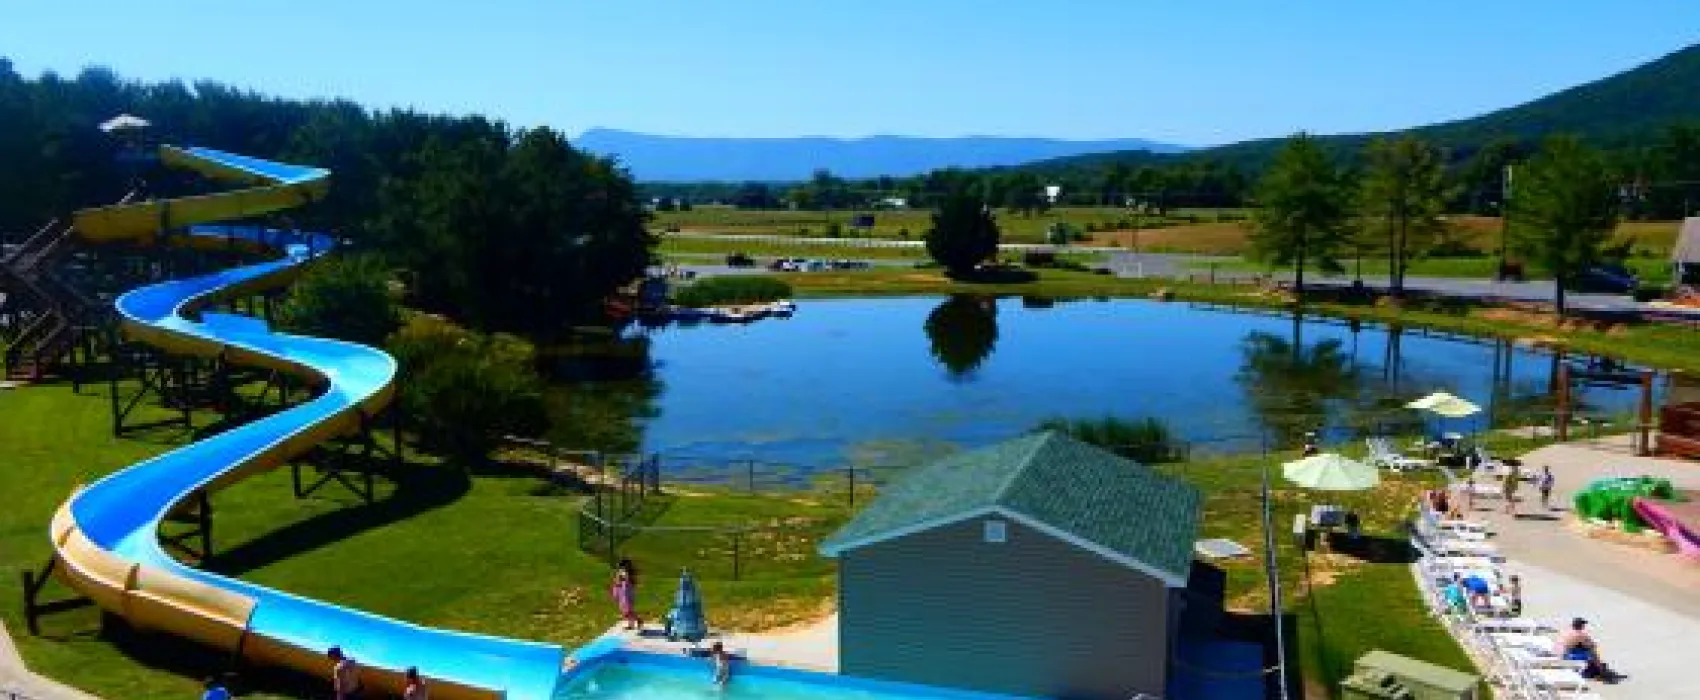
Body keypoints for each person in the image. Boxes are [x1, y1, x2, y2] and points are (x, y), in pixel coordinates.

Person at [612, 558, 642, 630]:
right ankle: (632, 623)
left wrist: (620, 578)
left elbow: (622, 581)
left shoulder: (626, 573)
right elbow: (618, 581)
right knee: (627, 610)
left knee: (627, 610)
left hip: (626, 592)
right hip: (624, 591)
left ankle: (637, 620)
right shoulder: (624, 572)